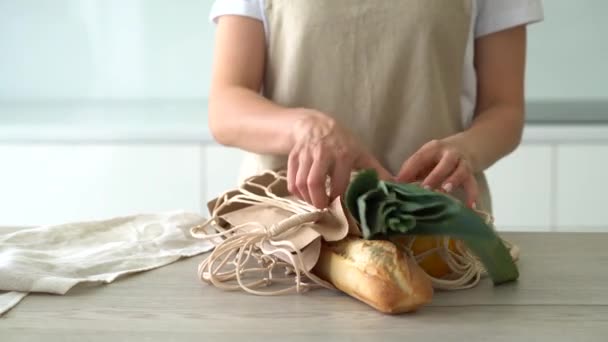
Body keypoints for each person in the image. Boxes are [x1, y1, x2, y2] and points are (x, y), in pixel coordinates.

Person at [206, 0, 544, 213]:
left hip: (435, 228)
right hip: (285, 229)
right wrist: (305, 129)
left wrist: (466, 150)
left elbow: (504, 109)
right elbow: (226, 107)